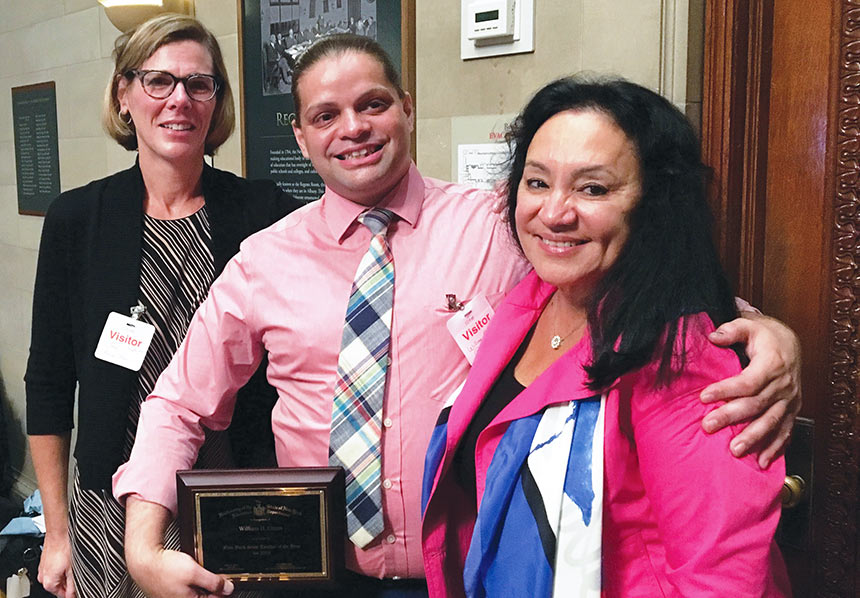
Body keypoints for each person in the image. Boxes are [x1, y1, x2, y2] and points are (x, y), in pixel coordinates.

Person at [113, 35, 800, 598]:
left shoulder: (502, 224)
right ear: (300, 136)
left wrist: (764, 332)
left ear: (407, 109)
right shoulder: (263, 261)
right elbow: (177, 404)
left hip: (465, 574)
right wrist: (144, 546)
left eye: (372, 104)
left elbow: (639, 282)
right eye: (326, 115)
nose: (353, 128)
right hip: (316, 577)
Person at [421, 77, 792, 597]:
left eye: (592, 188)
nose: (554, 213)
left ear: (653, 203)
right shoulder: (528, 302)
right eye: (537, 182)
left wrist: (773, 334)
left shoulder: (682, 356)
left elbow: (722, 575)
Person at [24, 14, 301, 598]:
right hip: (109, 504)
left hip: (232, 495)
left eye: (200, 85)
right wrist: (56, 532)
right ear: (124, 95)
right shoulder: (77, 221)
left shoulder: (265, 214)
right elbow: (48, 383)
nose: (180, 100)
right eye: (158, 82)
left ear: (216, 102)